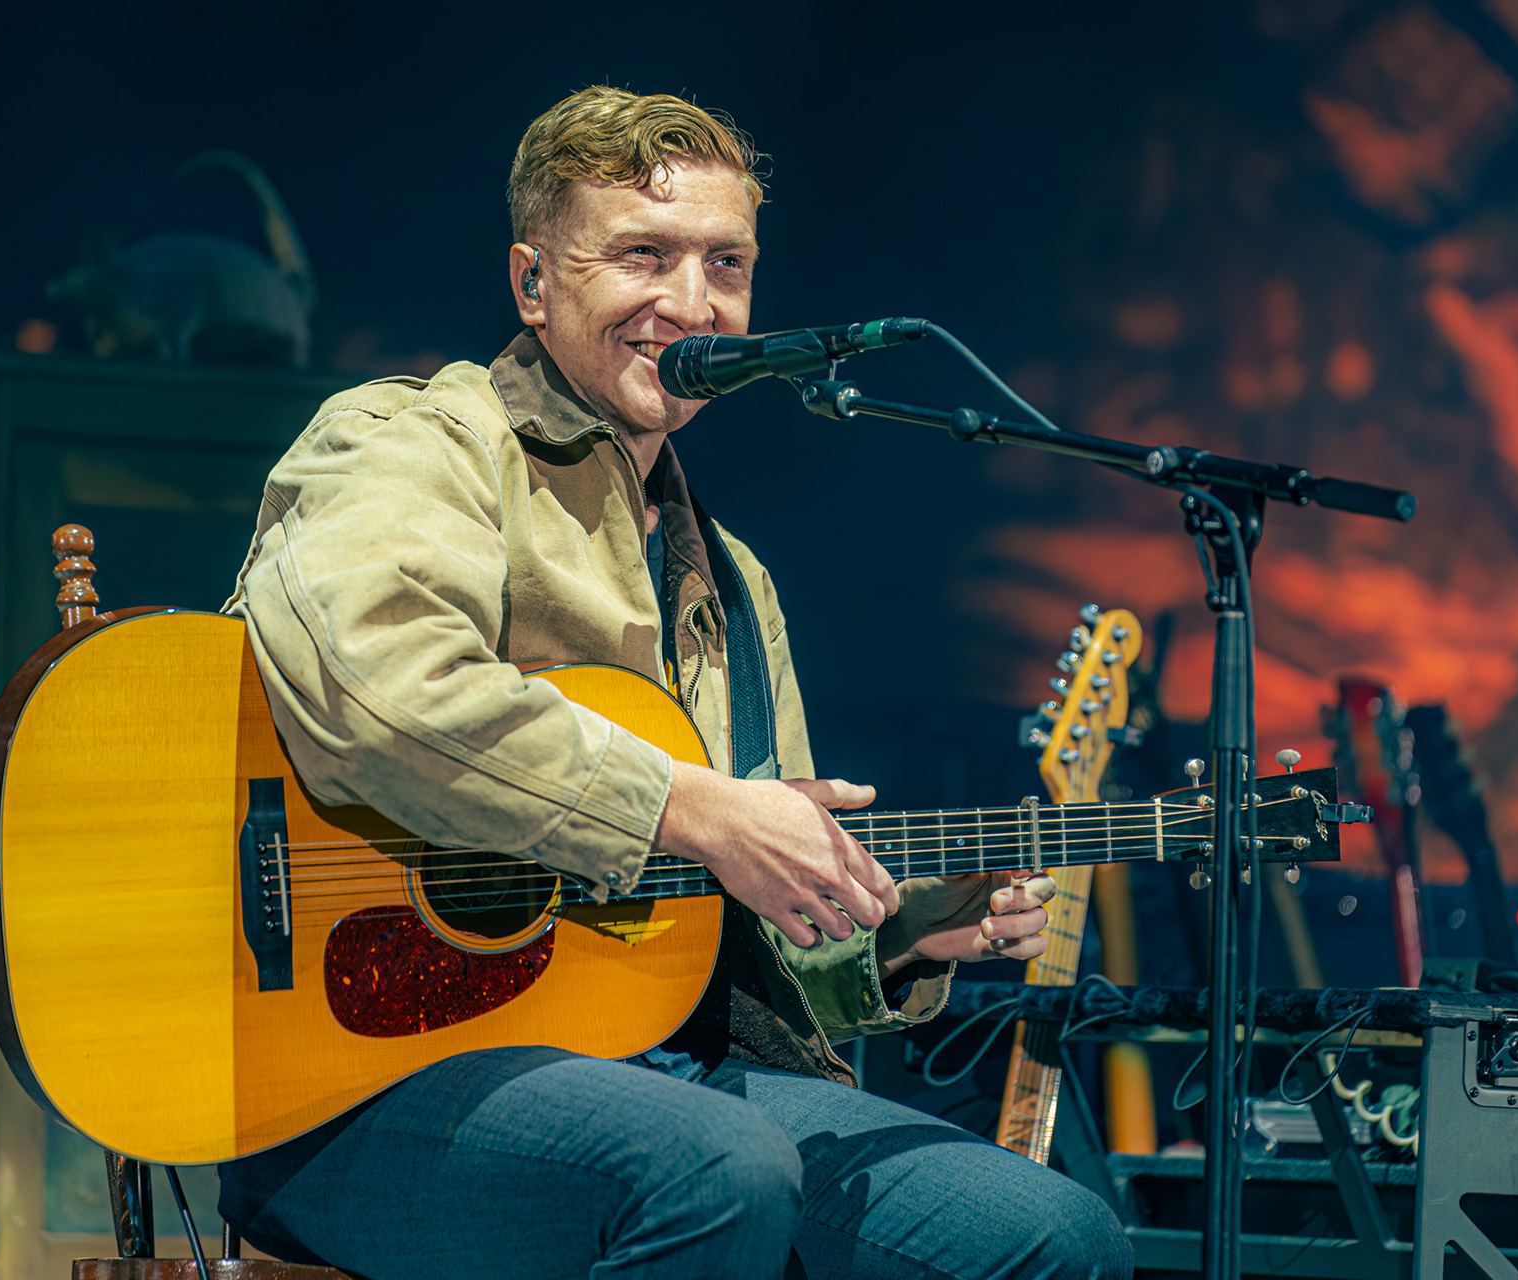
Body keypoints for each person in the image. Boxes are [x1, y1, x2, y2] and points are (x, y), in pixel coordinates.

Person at [216, 85, 1134, 1280]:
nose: (692, 303)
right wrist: (686, 804)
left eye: (726, 263)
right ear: (533, 284)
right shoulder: (411, 442)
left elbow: (725, 927)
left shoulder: (734, 582)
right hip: (355, 1073)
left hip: (670, 1076)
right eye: (642, 256)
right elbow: (380, 683)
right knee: (715, 1166)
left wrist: (899, 930)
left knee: (1053, 1234)